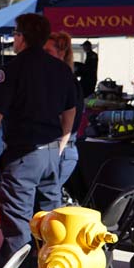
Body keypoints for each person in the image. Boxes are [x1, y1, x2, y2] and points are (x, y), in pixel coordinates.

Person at [0, 13, 76, 268]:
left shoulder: (12, 69)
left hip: (23, 157)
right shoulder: (61, 69)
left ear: (21, 38)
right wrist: (60, 145)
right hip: (51, 156)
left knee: (18, 229)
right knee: (51, 227)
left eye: (15, 35)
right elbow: (70, 111)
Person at [45, 31, 83, 191]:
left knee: (47, 202)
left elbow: (68, 119)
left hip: (60, 150)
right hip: (55, 150)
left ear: (61, 53)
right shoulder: (55, 79)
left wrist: (58, 150)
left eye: (48, 52)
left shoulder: (66, 82)